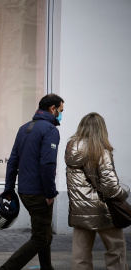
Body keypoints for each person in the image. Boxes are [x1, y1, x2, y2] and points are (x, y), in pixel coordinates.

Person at [0, 93, 64, 270]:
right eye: (60, 110)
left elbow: (13, 161)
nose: (60, 114)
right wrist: (50, 193)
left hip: (24, 191)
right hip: (39, 193)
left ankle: (46, 267)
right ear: (52, 109)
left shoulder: (24, 128)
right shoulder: (50, 130)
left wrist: (9, 189)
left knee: (44, 232)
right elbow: (47, 164)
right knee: (40, 237)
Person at [65, 112, 128, 269]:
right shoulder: (101, 150)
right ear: (101, 129)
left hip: (79, 211)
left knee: (80, 256)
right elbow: (109, 187)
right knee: (116, 250)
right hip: (104, 211)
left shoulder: (71, 149)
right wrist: (124, 193)